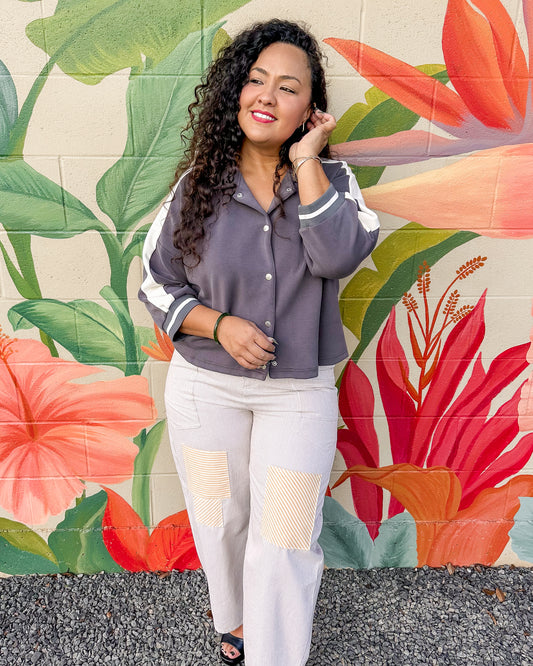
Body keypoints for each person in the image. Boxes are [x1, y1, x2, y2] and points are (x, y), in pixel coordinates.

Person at [139, 18, 379, 666]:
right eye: (255, 79)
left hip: (297, 394)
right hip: (205, 390)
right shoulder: (197, 187)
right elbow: (156, 283)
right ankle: (238, 623)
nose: (267, 95)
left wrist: (305, 162)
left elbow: (338, 255)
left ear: (310, 109)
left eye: (288, 87)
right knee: (219, 517)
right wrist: (218, 324)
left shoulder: (334, 184)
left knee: (286, 533)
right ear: (236, 92)